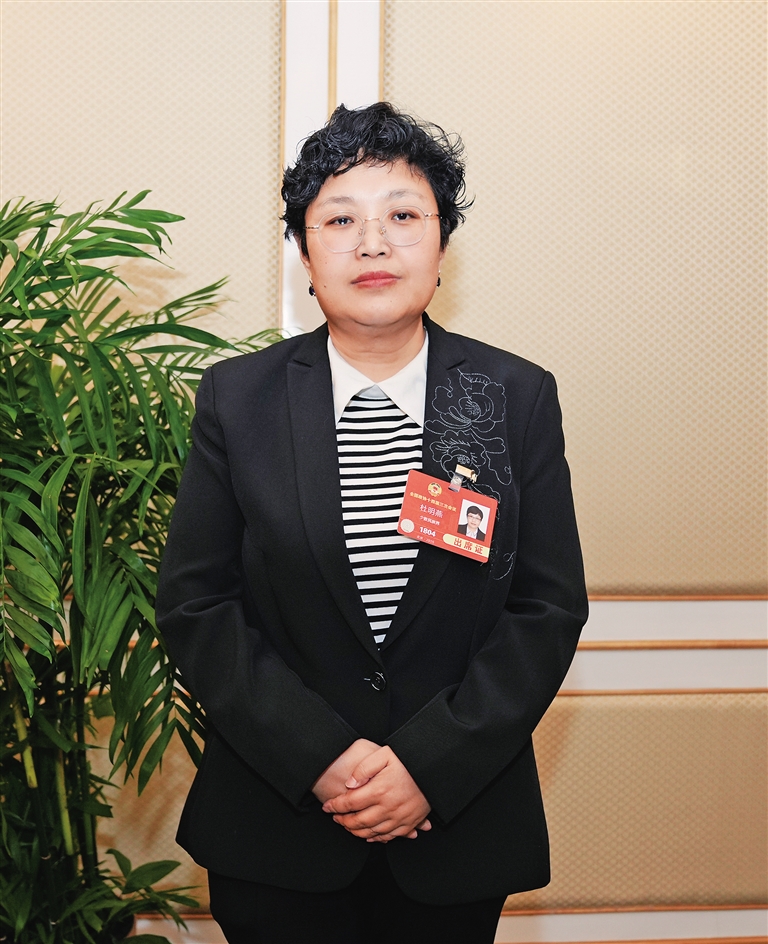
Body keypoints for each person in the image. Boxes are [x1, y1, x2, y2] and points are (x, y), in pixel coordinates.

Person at [156, 102, 588, 944]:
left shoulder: (511, 397)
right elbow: (197, 603)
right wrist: (321, 757)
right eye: (340, 219)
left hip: (454, 827)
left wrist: (429, 765)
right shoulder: (239, 399)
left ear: (441, 245)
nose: (373, 243)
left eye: (403, 216)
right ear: (304, 251)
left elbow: (547, 606)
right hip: (278, 824)